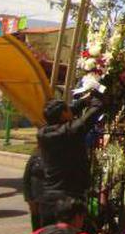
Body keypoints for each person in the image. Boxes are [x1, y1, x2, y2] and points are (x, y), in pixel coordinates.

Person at [37, 84, 104, 225]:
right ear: (63, 114)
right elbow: (95, 111)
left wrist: (82, 102)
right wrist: (96, 96)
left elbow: (59, 115)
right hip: (69, 197)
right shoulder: (72, 131)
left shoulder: (42, 133)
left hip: (48, 196)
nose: (71, 111)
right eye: (68, 109)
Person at [22, 150, 45, 232]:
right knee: (36, 227)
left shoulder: (55, 157)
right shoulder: (35, 156)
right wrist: (29, 199)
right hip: (35, 199)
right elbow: (26, 178)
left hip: (48, 200)